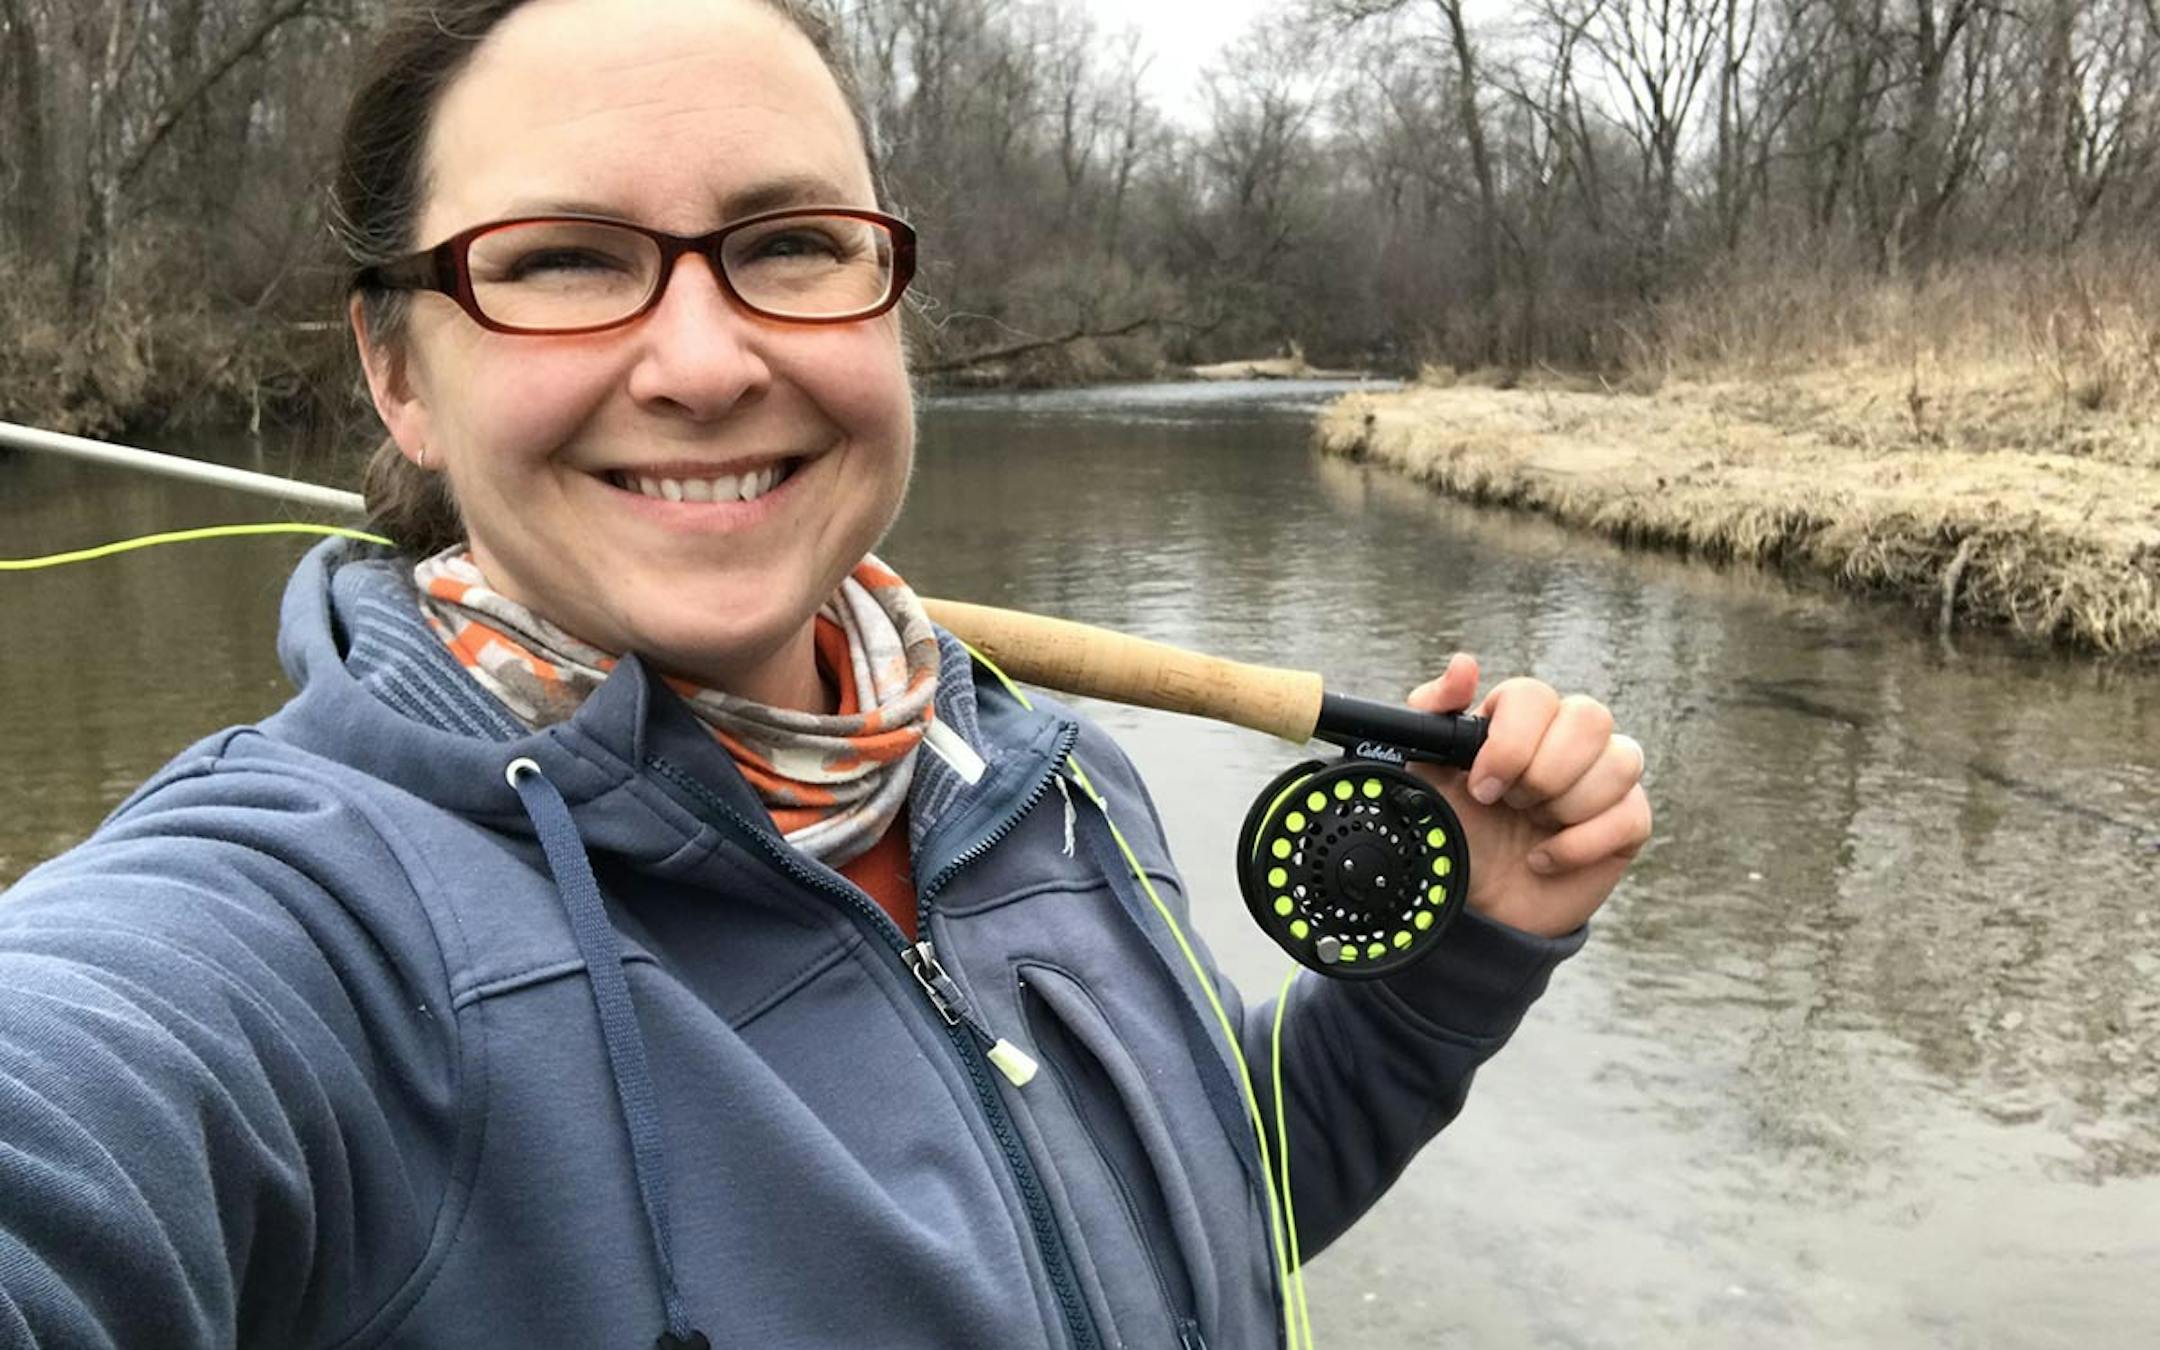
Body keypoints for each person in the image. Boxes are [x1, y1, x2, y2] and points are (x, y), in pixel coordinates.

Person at [0, 0, 1652, 1345]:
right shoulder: (298, 924)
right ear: (396, 369)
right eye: (564, 260)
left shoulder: (1041, 772)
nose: (710, 362)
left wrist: (1462, 956)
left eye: (789, 242)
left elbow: (1213, 1206)